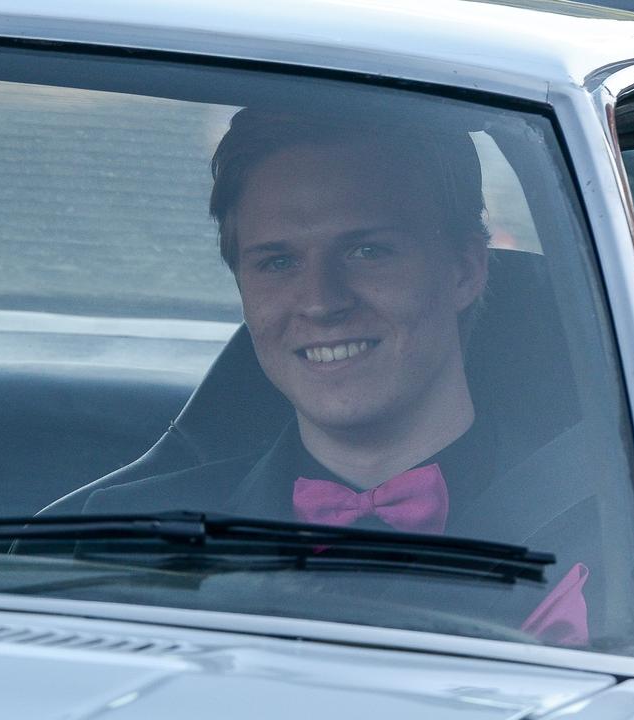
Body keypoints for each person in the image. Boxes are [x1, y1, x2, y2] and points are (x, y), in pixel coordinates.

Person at [81, 109, 592, 646]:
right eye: (278, 263)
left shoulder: (623, 530)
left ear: (465, 269)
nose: (321, 301)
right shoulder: (131, 536)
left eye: (366, 251)